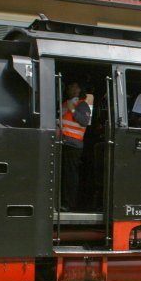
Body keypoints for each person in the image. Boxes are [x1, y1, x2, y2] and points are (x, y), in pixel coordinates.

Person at [60, 81, 91, 211]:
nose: (69, 87)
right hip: (61, 142)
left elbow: (84, 121)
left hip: (73, 145)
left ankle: (69, 203)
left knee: (70, 175)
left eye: (72, 85)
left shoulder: (82, 105)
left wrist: (72, 109)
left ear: (78, 89)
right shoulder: (64, 103)